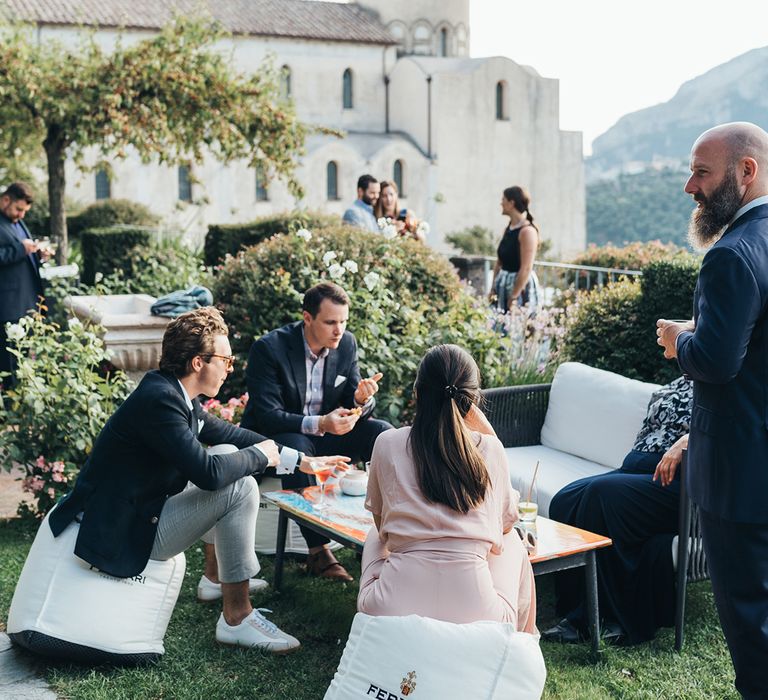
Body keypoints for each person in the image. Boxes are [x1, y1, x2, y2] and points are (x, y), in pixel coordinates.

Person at [48, 307, 348, 653]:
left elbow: (230, 433)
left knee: (222, 449)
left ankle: (214, 579)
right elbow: (208, 475)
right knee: (238, 486)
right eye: (226, 360)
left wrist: (302, 460)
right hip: (125, 529)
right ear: (197, 363)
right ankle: (237, 617)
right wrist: (263, 456)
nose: (229, 369)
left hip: (142, 509)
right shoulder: (160, 401)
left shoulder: (174, 394)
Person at [657, 121, 768, 699]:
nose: (689, 186)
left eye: (702, 171)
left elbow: (718, 364)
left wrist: (682, 341)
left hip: (742, 477)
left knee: (751, 624)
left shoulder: (731, 254)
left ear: (745, 172)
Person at [357, 344, 537, 630]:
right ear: (473, 400)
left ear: (417, 394)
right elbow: (504, 523)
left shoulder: (387, 443)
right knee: (513, 540)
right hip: (479, 613)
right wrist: (488, 433)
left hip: (389, 607)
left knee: (374, 535)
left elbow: (383, 530)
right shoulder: (489, 449)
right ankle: (524, 643)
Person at [240, 282, 393, 581]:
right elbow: (268, 416)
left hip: (326, 434)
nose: (339, 330)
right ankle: (318, 552)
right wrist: (322, 423)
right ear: (307, 318)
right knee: (297, 448)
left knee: (383, 434)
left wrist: (361, 400)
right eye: (331, 322)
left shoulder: (346, 344)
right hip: (281, 436)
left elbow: (352, 399)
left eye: (344, 321)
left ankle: (383, 531)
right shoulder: (269, 349)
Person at [543, 376, 693, 646]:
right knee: (564, 499)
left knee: (603, 496)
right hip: (638, 474)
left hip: (681, 486)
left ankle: (607, 618)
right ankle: (574, 609)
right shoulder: (680, 381)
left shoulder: (726, 382)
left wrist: (687, 440)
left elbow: (734, 430)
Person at [0, 182, 49, 388]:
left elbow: (23, 253)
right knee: (8, 366)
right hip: (7, 306)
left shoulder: (17, 222)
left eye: (24, 211)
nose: (22, 215)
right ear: (5, 200)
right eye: (19, 209)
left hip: (26, 303)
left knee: (22, 363)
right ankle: (10, 415)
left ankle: (19, 410)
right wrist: (21, 249)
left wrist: (39, 254)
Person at [489, 186, 541, 314]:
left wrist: (514, 296)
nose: (501, 203)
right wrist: (493, 288)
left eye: (503, 199)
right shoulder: (509, 229)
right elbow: (499, 262)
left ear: (511, 203)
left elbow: (526, 268)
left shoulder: (527, 232)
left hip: (520, 288)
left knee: (518, 327)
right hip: (503, 285)